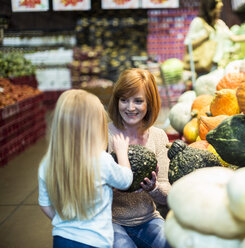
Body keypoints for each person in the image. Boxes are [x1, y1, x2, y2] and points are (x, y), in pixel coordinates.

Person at [38, 89, 133, 248]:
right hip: (95, 242)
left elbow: (44, 204)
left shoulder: (48, 163)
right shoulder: (101, 160)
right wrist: (122, 152)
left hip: (61, 239)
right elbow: (125, 181)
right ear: (94, 128)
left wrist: (63, 222)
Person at [107, 68, 171, 248]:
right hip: (111, 221)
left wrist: (154, 188)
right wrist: (114, 185)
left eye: (138, 101)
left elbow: (168, 194)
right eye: (124, 100)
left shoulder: (158, 137)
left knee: (170, 242)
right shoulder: (105, 135)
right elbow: (89, 190)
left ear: (150, 103)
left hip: (149, 219)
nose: (130, 107)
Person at [184, 0, 245, 71]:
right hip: (202, 66)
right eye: (218, 2)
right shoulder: (198, 22)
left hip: (217, 66)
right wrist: (205, 36)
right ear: (210, 5)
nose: (221, 4)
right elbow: (188, 45)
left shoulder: (219, 24)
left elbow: (234, 38)